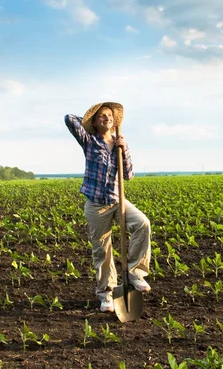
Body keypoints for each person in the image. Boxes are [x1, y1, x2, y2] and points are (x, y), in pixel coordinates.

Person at [65, 102, 152, 313]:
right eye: (102, 116)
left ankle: (135, 273)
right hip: (96, 205)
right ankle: (106, 294)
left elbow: (128, 175)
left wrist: (124, 149)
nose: (107, 118)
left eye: (110, 116)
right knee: (102, 250)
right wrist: (89, 120)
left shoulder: (120, 143)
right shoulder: (89, 141)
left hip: (117, 200)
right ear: (94, 122)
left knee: (142, 223)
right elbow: (69, 118)